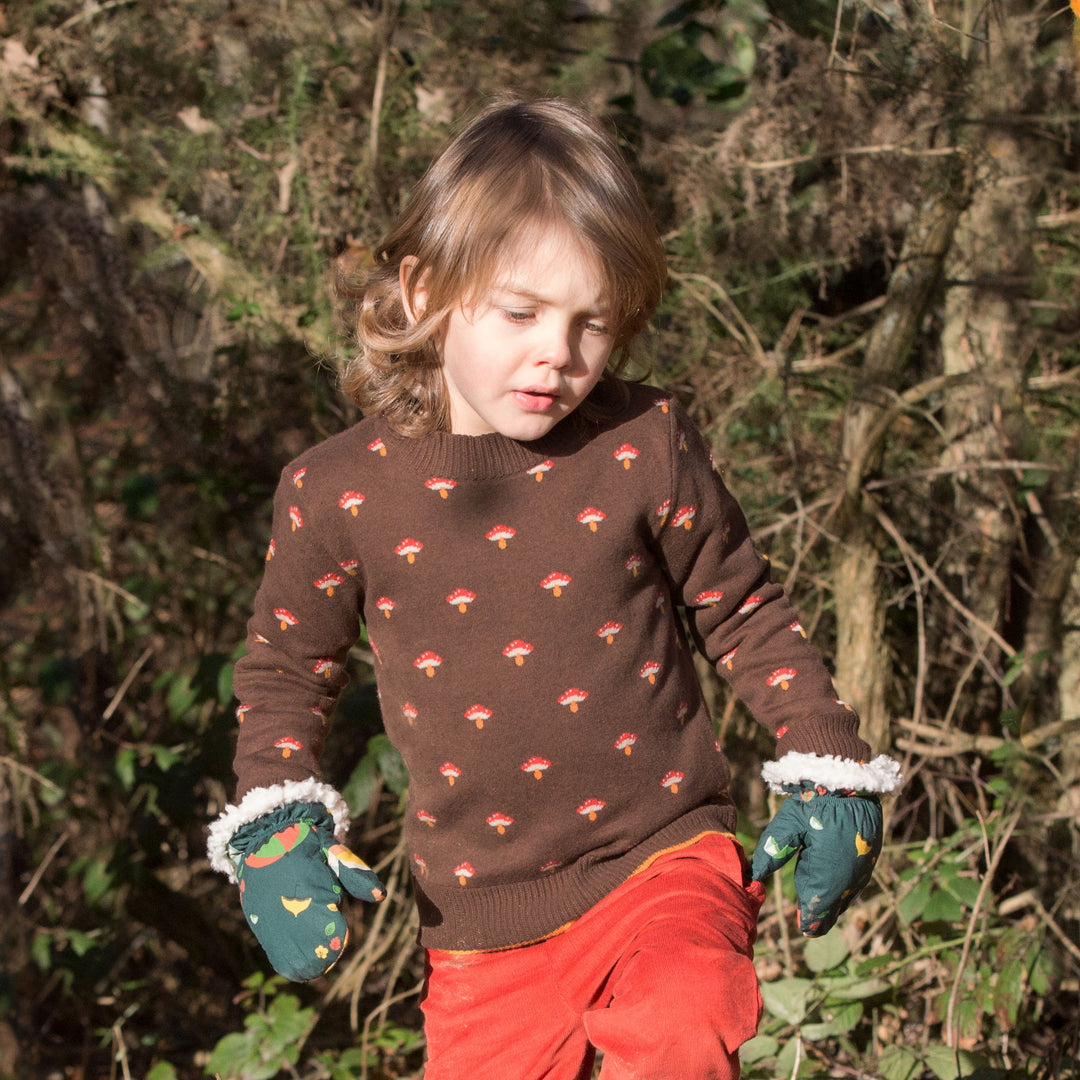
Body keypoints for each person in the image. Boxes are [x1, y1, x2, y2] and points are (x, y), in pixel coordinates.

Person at [207, 96, 902, 1079]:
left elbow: (744, 607)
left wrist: (827, 760)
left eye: (593, 325)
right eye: (522, 312)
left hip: (663, 858)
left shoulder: (641, 444)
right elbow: (285, 663)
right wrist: (276, 821)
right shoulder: (339, 491)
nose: (558, 355)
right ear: (423, 289)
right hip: (479, 925)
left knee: (678, 1023)